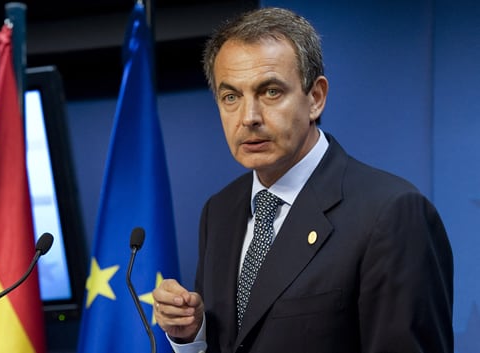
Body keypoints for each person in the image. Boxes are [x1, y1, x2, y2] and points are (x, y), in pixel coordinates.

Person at [153, 7, 453, 353]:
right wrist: (192, 335)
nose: (248, 118)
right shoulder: (220, 210)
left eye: (270, 92)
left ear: (315, 98)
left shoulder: (390, 214)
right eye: (231, 96)